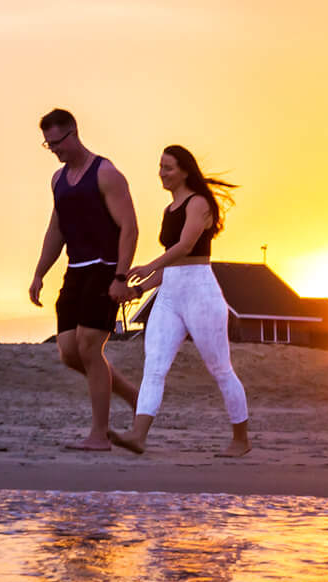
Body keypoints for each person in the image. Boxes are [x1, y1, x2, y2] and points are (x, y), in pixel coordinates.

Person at [111, 146, 250, 458]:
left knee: (220, 368)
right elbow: (171, 267)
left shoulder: (199, 203)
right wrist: (142, 288)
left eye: (168, 167)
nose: (162, 172)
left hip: (200, 291)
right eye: (160, 166)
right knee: (154, 367)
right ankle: (138, 435)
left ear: (185, 171)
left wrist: (149, 265)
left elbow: (186, 247)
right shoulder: (168, 209)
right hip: (170, 294)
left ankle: (241, 438)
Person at [28, 108, 140, 450]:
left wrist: (121, 277)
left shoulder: (106, 173)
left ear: (74, 133)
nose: (54, 150)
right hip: (75, 272)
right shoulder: (58, 181)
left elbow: (130, 228)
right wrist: (38, 273)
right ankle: (136, 398)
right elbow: (56, 229)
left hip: (105, 268)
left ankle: (99, 436)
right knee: (69, 352)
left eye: (57, 142)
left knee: (90, 346)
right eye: (48, 145)